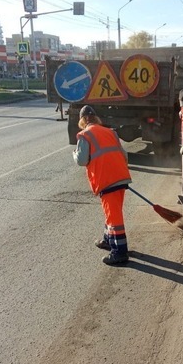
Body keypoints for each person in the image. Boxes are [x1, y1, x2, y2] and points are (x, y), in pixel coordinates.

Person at [73, 105, 132, 265]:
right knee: (112, 212)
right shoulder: (110, 132)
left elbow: (82, 160)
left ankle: (119, 252)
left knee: (114, 217)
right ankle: (108, 239)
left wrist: (74, 154)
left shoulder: (85, 135)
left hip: (107, 180)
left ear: (83, 120)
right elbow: (124, 155)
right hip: (120, 177)